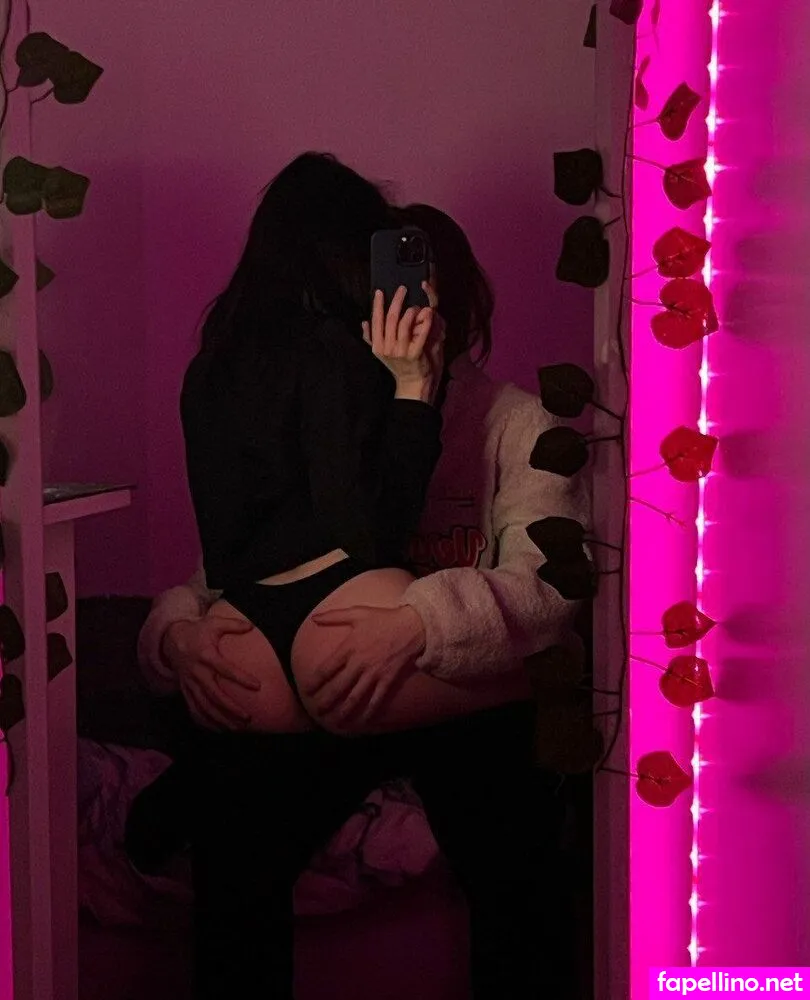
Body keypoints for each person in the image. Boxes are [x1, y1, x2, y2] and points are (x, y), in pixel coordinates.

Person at [134, 198, 590, 998]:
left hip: (462, 705)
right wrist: (176, 638)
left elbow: (551, 589)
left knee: (508, 813)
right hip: (337, 704)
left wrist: (418, 626)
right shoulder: (329, 414)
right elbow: (232, 575)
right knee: (241, 819)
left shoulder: (519, 424)